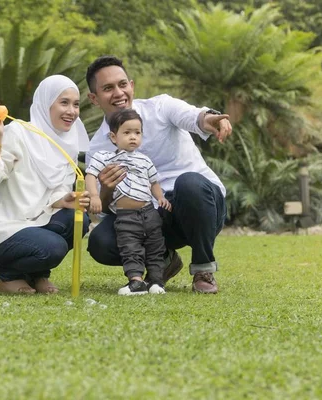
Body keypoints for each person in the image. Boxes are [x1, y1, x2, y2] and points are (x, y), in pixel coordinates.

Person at [85, 56, 232, 294]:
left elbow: (195, 116)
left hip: (199, 206)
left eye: (123, 84)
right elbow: (102, 209)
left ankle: (203, 268)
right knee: (101, 241)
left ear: (132, 85)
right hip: (149, 218)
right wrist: (107, 188)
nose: (119, 93)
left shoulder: (161, 107)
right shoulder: (98, 148)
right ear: (94, 98)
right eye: (107, 88)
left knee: (189, 183)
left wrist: (211, 118)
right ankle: (163, 259)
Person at [0, 75, 91, 295]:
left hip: (39, 222)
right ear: (45, 103)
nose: (72, 111)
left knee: (78, 220)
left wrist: (65, 199)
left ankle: (37, 275)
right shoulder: (18, 133)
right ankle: (7, 275)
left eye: (76, 104)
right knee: (53, 247)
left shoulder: (67, 142)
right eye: (64, 102)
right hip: (6, 227)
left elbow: (54, 190)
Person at [86, 109, 171, 295]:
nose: (133, 137)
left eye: (137, 132)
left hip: (149, 213)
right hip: (125, 216)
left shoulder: (145, 160)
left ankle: (157, 281)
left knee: (155, 247)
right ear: (113, 137)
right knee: (130, 247)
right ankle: (136, 281)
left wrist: (160, 198)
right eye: (127, 133)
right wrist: (94, 196)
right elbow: (90, 175)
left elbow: (153, 181)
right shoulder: (105, 158)